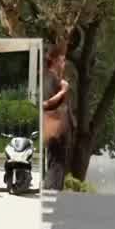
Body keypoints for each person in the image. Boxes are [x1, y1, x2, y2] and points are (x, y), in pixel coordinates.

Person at [41, 44, 71, 190]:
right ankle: (51, 195)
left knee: (57, 164)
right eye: (62, 60)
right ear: (53, 60)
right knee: (56, 165)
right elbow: (45, 104)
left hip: (58, 129)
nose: (63, 63)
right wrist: (63, 91)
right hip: (54, 129)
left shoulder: (55, 78)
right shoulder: (49, 77)